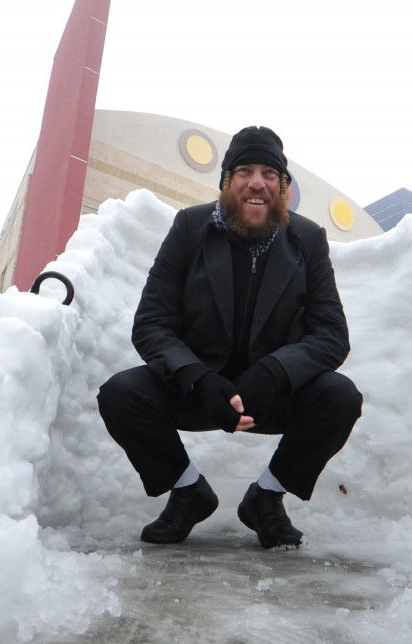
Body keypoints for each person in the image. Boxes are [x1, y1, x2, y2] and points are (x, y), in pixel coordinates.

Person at [97, 126, 362, 549]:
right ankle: (188, 491)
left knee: (340, 397)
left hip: (270, 394)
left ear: (282, 188)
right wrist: (196, 378)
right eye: (244, 171)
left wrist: (276, 372)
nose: (257, 183)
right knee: (121, 394)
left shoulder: (308, 240)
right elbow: (151, 322)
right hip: (197, 391)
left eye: (270, 174)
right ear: (226, 181)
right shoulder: (190, 227)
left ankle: (266, 498)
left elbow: (331, 334)